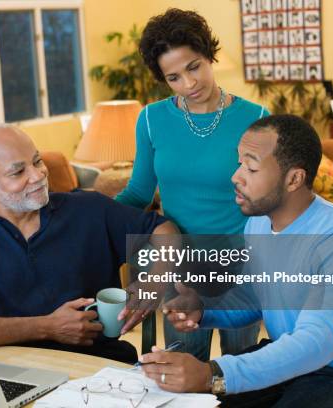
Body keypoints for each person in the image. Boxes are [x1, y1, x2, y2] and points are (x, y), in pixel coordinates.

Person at [139, 115, 333, 407]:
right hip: (286, 356)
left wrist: (211, 373)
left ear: (294, 179)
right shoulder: (260, 224)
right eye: (240, 163)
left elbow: (318, 341)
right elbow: (254, 297)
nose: (235, 177)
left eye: (251, 167)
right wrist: (203, 309)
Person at [0, 124, 178, 364]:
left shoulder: (88, 209)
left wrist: (153, 282)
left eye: (37, 161)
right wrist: (48, 327)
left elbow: (165, 230)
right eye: (18, 171)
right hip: (8, 372)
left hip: (99, 368)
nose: (37, 175)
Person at [116, 8, 267, 362]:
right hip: (179, 264)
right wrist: (92, 218)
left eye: (194, 66)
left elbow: (268, 199)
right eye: (174, 77)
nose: (189, 83)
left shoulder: (256, 118)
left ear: (209, 54)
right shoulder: (151, 119)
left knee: (241, 370)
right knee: (184, 365)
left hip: (240, 263)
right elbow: (138, 193)